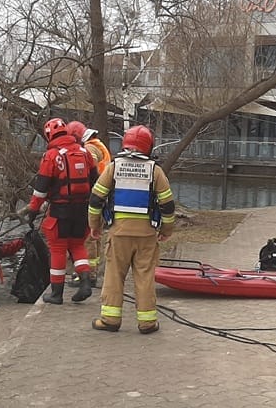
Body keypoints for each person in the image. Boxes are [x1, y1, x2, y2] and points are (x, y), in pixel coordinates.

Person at [88, 124, 176, 334]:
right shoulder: (156, 171)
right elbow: (167, 205)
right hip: (146, 235)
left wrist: (95, 225)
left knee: (114, 276)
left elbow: (96, 199)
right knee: (144, 276)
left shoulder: (114, 167)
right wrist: (167, 230)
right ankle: (147, 323)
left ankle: (110, 319)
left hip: (118, 234)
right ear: (149, 146)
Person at [24, 117, 96, 304]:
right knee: (77, 245)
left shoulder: (51, 156)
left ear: (49, 136)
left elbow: (40, 188)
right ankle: (86, 283)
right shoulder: (84, 152)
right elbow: (95, 181)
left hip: (60, 209)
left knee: (57, 249)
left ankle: (56, 293)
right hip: (82, 209)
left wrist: (33, 210)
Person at [66, 120, 111, 280]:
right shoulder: (97, 145)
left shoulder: (90, 149)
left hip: (93, 196)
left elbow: (84, 171)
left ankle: (88, 274)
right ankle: (92, 270)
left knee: (87, 238)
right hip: (101, 196)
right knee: (95, 235)